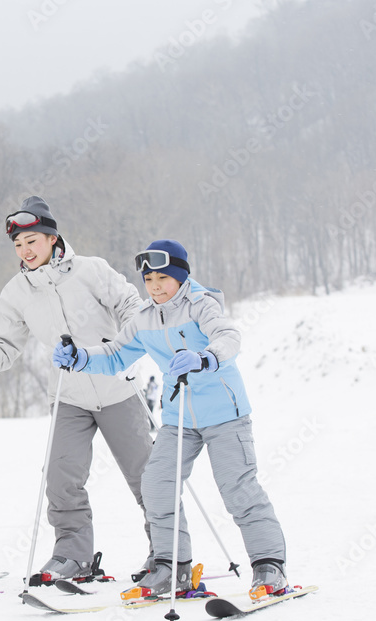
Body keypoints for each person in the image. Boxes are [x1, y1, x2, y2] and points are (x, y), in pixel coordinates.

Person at [53, 239, 289, 600]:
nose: (156, 286)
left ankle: (269, 566)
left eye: (163, 277)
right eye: (149, 280)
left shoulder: (201, 305)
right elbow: (117, 355)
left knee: (237, 488)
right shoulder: (145, 318)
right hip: (180, 419)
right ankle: (172, 566)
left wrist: (205, 357)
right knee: (156, 484)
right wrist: (80, 357)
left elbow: (228, 335)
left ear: (180, 276)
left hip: (225, 414)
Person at [0, 196, 155, 583]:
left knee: (145, 476)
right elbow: (6, 346)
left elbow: (131, 305)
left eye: (32, 241)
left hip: (117, 388)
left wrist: (126, 351)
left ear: (52, 238)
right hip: (68, 395)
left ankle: (166, 551)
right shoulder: (17, 292)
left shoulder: (91, 271)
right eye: (18, 245)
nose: (25, 251)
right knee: (61, 478)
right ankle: (72, 556)